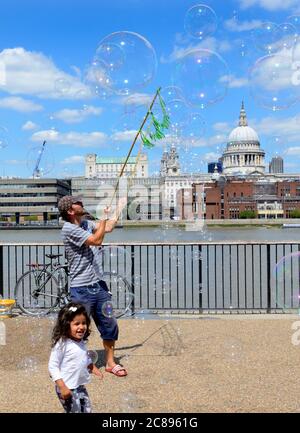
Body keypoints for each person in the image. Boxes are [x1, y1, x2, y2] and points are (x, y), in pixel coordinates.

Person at [57, 194, 128, 377]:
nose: (81, 203)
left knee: (109, 323)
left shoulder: (87, 224)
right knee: (78, 328)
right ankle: (75, 364)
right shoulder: (68, 229)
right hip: (81, 289)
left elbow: (108, 227)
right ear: (71, 211)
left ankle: (111, 363)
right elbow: (96, 241)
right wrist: (103, 218)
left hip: (100, 286)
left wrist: (119, 207)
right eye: (77, 202)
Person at [48, 302, 103, 413]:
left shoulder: (80, 341)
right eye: (76, 324)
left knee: (87, 409)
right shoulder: (62, 344)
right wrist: (62, 387)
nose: (81, 327)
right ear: (66, 324)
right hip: (66, 387)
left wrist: (92, 367)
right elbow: (53, 366)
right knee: (75, 411)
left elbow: (83, 357)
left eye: (84, 323)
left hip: (79, 385)